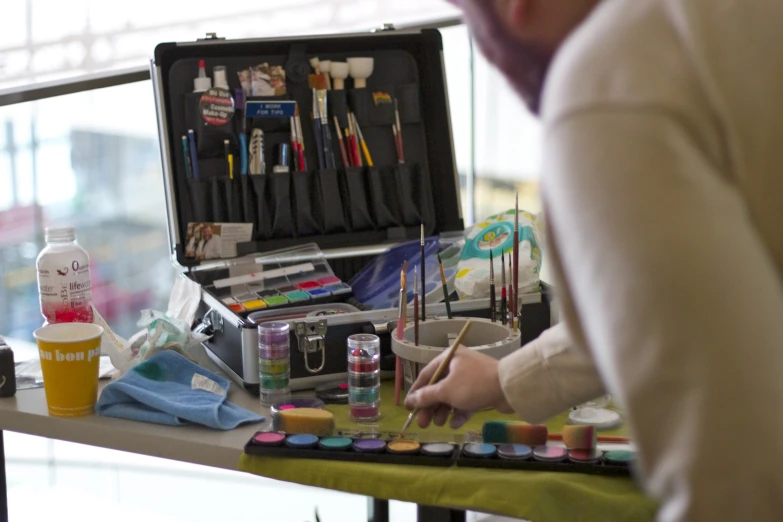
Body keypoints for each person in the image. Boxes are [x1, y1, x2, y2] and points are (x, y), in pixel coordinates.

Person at [406, 1, 783, 520]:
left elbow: (733, 477)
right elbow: (671, 309)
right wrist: (506, 380)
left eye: (471, 16)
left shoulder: (611, 78)